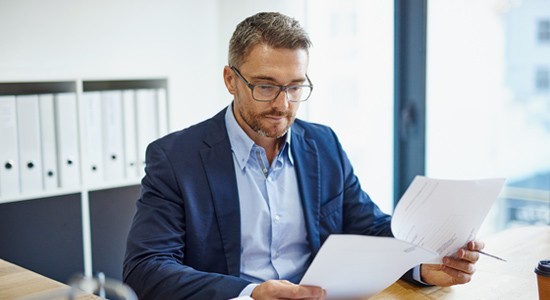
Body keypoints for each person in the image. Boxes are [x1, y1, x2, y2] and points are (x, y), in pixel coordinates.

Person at [123, 12, 485, 300]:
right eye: (266, 86)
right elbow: (146, 268)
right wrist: (251, 293)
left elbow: (369, 228)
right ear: (231, 80)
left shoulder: (323, 144)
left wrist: (424, 265)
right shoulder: (176, 158)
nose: (283, 105)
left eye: (295, 87)